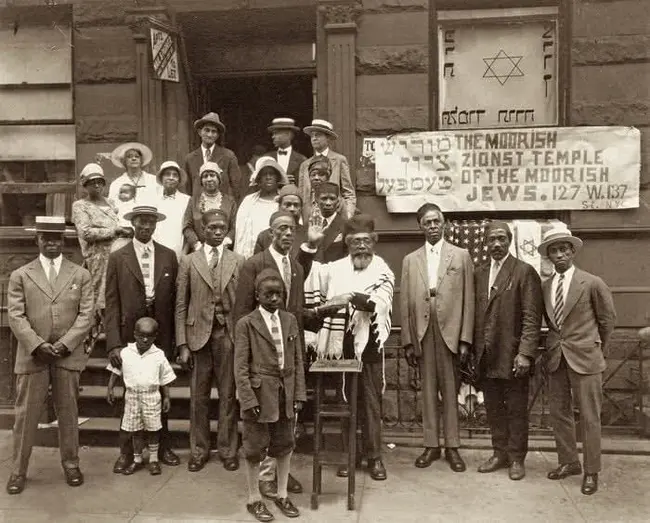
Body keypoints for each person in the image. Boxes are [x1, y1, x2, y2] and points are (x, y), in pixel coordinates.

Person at [303, 214, 394, 481]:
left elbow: (380, 301)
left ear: (374, 242)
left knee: (371, 404)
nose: (362, 247)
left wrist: (349, 298)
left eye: (366, 241)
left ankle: (374, 457)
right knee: (345, 403)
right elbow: (306, 275)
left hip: (369, 346)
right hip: (339, 346)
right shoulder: (335, 268)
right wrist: (310, 246)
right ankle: (350, 456)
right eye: (356, 242)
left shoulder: (382, 268)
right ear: (348, 244)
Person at [6, 216, 93, 495]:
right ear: (37, 241)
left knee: (68, 412)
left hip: (67, 355)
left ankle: (71, 464)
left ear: (63, 241)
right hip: (34, 356)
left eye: (57, 238)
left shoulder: (80, 274)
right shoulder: (21, 274)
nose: (52, 242)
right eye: (46, 238)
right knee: (26, 415)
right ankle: (18, 470)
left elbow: (86, 314)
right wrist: (37, 345)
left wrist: (67, 343)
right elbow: (16, 316)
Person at [235, 210, 309, 498]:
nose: (287, 234)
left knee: (284, 419)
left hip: (287, 350)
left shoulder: (297, 267)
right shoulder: (254, 264)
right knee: (263, 419)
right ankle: (264, 478)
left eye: (291, 229)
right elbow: (242, 312)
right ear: (270, 233)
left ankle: (280, 473)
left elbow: (297, 312)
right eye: (281, 229)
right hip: (260, 355)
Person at [539, 227, 616, 496]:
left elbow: (607, 321)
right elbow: (551, 324)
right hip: (556, 358)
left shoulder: (592, 283)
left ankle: (591, 471)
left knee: (589, 417)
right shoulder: (546, 286)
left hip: (586, 358)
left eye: (564, 249)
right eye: (554, 250)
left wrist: (596, 350)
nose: (560, 254)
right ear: (548, 255)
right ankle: (569, 462)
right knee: (559, 414)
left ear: (572, 251)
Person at [105, 204, 181, 471]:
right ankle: (127, 452)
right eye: (141, 222)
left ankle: (163, 447)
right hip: (130, 336)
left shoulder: (169, 256)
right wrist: (113, 341)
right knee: (131, 395)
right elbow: (111, 302)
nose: (146, 227)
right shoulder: (118, 257)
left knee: (161, 392)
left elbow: (175, 302)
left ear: (156, 225)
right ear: (133, 223)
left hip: (159, 336)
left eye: (151, 222)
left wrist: (175, 341)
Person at [400, 203, 474, 472]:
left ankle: (452, 446)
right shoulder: (411, 260)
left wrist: (465, 338)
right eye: (427, 222)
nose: (432, 226)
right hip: (423, 331)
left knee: (450, 389)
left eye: (436, 221)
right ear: (420, 226)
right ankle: (431, 445)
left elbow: (469, 299)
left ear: (444, 224)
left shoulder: (460, 255)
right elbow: (405, 301)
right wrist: (408, 340)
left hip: (451, 332)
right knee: (428, 390)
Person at [175, 209, 245, 473]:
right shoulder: (189, 261)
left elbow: (244, 304)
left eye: (222, 227)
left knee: (228, 396)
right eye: (212, 227)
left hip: (227, 336)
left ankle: (228, 450)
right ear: (203, 230)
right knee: (198, 397)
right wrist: (182, 344)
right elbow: (181, 304)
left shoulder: (238, 260)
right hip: (197, 337)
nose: (217, 232)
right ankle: (199, 450)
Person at [473, 221, 543, 481]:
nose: (496, 244)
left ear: (510, 240)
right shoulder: (479, 273)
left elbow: (531, 317)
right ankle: (499, 452)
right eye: (491, 239)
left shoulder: (524, 272)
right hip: (486, 355)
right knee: (493, 408)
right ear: (485, 243)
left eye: (501, 239)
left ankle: (516, 458)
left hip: (512, 355)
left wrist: (525, 353)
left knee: (515, 409)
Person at [106, 317, 176, 476]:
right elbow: (115, 371)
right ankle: (137, 459)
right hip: (132, 397)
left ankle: (153, 459)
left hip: (151, 396)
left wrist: (167, 397)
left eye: (149, 336)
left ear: (155, 336)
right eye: (141, 335)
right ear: (134, 334)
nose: (145, 339)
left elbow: (165, 378)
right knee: (135, 429)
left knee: (153, 429)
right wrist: (110, 388)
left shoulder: (159, 355)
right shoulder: (125, 353)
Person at [71, 163, 131, 345]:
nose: (97, 186)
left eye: (99, 182)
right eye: (92, 183)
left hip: (117, 255)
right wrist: (116, 230)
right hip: (97, 258)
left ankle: (112, 335)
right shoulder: (80, 206)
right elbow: (86, 233)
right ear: (85, 185)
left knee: (115, 294)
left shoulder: (111, 203)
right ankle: (92, 337)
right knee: (97, 296)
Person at [298, 119, 356, 221]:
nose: (314, 138)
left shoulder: (339, 160)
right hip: (311, 216)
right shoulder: (305, 165)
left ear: (328, 138)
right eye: (312, 136)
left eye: (318, 135)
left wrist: (348, 214)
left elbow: (349, 193)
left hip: (334, 214)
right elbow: (302, 194)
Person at [235, 157, 289, 259]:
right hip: (251, 254)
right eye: (264, 174)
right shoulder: (248, 201)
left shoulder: (284, 202)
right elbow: (240, 232)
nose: (268, 177)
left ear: (277, 178)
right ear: (258, 178)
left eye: (272, 174)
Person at [184, 112, 241, 201]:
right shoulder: (190, 159)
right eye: (207, 130)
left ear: (217, 135)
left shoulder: (228, 156)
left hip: (221, 209)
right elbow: (187, 189)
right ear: (199, 132)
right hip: (198, 210)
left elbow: (236, 187)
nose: (210, 135)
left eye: (214, 131)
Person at [183, 162, 237, 253]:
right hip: (199, 251)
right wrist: (196, 244)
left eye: (212, 175)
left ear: (219, 179)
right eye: (205, 176)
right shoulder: (193, 201)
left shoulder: (230, 201)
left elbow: (235, 226)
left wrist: (226, 242)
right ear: (201, 181)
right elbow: (187, 227)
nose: (209, 179)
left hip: (224, 250)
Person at [254, 184, 307, 257]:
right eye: (288, 205)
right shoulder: (264, 236)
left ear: (301, 208)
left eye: (296, 205)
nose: (292, 209)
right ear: (279, 206)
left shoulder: (308, 235)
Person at [153, 161, 191, 259]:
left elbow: (189, 228)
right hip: (155, 251)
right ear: (161, 178)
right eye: (167, 174)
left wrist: (184, 253)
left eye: (175, 175)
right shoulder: (153, 200)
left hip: (178, 252)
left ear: (179, 180)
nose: (171, 177)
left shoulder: (186, 200)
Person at [309, 181, 347, 263]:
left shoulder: (346, 226)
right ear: (316, 200)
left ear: (338, 201)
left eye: (332, 199)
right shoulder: (309, 225)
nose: (328, 203)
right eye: (324, 198)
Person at [264, 117, 307, 185]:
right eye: (273, 134)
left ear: (288, 135)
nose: (273, 136)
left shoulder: (302, 160)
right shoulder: (267, 158)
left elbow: (304, 185)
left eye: (276, 133)